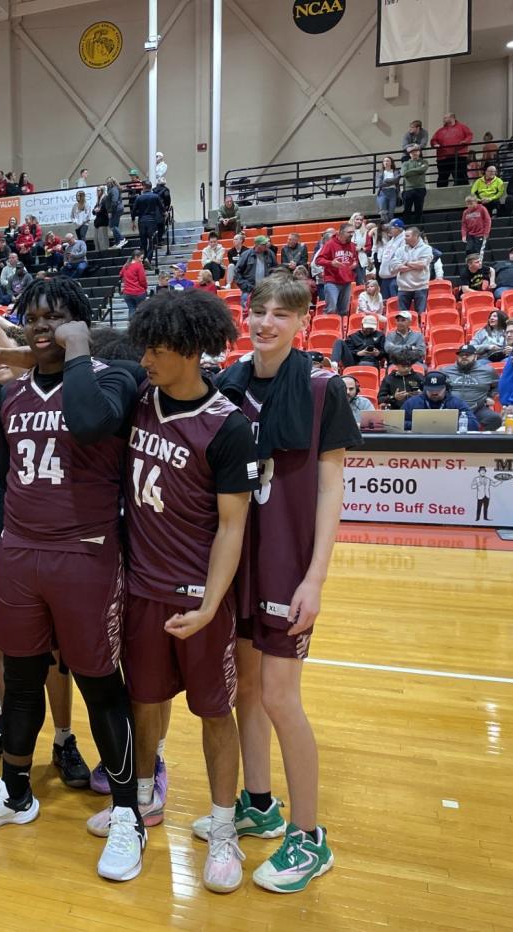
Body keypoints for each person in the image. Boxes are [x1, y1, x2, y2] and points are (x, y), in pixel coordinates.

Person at [0, 278, 144, 884]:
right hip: (20, 555)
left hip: (85, 554)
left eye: (55, 316)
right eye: (32, 316)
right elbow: (1, 476)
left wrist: (78, 345)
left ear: (78, 324)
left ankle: (127, 812)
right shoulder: (12, 396)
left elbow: (87, 423)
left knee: (97, 683)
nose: (41, 325)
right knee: (24, 678)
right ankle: (14, 792)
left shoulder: (113, 378)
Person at [77, 289, 258, 893]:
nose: (145, 358)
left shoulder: (228, 426)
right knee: (144, 705)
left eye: (156, 349)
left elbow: (233, 525)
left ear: (188, 350)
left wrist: (211, 604)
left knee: (214, 713)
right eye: (144, 347)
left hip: (199, 599)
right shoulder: (137, 402)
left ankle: (225, 826)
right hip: (140, 591)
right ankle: (146, 799)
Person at [195, 272, 359, 893]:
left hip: (288, 566)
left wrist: (315, 578)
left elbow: (330, 488)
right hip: (237, 559)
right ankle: (259, 804)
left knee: (282, 698)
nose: (264, 323)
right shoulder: (226, 387)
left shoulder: (323, 389)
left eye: (279, 314)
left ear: (302, 321)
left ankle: (310, 837)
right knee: (247, 692)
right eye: (255, 310)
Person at [442, 345, 500, 431]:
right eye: (461, 355)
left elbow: (497, 386)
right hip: (452, 409)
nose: (464, 357)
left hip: (478, 409)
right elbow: (439, 389)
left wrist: (490, 396)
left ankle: (479, 442)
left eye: (468, 355)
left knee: (495, 419)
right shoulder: (446, 371)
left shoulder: (488, 371)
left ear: (475, 356)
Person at [402, 371, 479, 431]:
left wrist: (445, 425)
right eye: (431, 389)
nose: (434, 392)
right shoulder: (412, 402)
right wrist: (421, 425)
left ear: (446, 388)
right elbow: (398, 424)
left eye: (438, 389)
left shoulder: (457, 402)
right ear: (424, 388)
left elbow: (474, 425)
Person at [385, 226, 433, 317]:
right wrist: (413, 265)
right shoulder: (400, 250)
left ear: (416, 236)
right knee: (402, 316)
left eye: (407, 236)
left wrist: (405, 263)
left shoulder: (426, 249)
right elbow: (394, 266)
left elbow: (422, 264)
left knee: (420, 315)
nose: (404, 238)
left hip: (421, 287)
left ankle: (419, 331)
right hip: (403, 287)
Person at [314, 224, 358, 316]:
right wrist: (331, 263)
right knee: (331, 309)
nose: (351, 234)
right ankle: (327, 328)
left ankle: (340, 329)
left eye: (352, 232)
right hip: (332, 281)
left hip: (346, 282)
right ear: (341, 232)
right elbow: (318, 260)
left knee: (344, 310)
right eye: (349, 232)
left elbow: (354, 260)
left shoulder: (353, 246)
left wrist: (354, 264)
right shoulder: (330, 244)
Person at [430, 112, 473, 187]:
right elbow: (434, 140)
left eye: (445, 117)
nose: (444, 119)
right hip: (443, 157)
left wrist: (465, 142)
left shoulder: (462, 127)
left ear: (452, 118)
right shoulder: (440, 130)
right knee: (442, 177)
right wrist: (435, 144)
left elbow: (469, 135)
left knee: (460, 176)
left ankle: (462, 194)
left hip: (459, 155)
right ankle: (441, 194)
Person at [234, 236, 278, 302]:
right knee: (247, 309)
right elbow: (237, 272)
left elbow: (275, 269)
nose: (267, 245)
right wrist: (245, 286)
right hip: (249, 290)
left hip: (266, 290)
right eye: (264, 244)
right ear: (257, 245)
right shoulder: (246, 255)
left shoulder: (270, 254)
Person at [133, 185, 165, 268]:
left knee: (143, 243)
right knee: (153, 241)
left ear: (143, 188)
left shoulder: (139, 198)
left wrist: (133, 221)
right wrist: (165, 214)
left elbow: (133, 210)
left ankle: (143, 260)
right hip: (152, 221)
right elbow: (162, 208)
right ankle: (148, 258)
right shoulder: (155, 196)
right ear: (151, 187)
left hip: (141, 221)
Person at [400, 144, 428, 224]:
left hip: (420, 189)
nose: (414, 153)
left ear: (419, 152)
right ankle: (406, 228)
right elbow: (404, 173)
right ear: (409, 154)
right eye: (412, 152)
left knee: (419, 210)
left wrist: (410, 171)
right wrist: (417, 171)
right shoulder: (405, 163)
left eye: (416, 151)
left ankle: (417, 228)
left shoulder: (424, 162)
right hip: (408, 190)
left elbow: (423, 170)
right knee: (407, 210)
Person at [121, 250, 149, 315]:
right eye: (141, 258)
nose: (142, 260)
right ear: (136, 257)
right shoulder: (139, 266)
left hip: (127, 293)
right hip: (138, 292)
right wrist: (145, 288)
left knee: (131, 309)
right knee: (142, 310)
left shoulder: (126, 265)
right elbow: (142, 280)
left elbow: (121, 274)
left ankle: (132, 324)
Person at [376, 156, 400, 224]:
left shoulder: (395, 171)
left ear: (391, 163)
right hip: (382, 193)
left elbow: (396, 180)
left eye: (388, 161)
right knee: (383, 212)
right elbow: (379, 184)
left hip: (393, 193)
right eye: (384, 161)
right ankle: (385, 227)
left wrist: (386, 180)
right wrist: (391, 182)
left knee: (391, 212)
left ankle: (390, 228)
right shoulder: (380, 172)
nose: (386, 162)